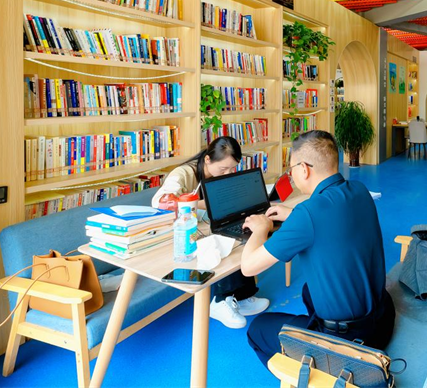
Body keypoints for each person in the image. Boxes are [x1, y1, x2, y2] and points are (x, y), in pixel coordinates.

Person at [241, 130, 395, 367]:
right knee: (308, 290)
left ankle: (319, 370)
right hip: (383, 319)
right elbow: (333, 221)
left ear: (304, 169)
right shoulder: (360, 190)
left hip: (350, 341)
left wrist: (261, 228)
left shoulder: (308, 214)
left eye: (291, 169)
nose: (292, 175)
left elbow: (248, 267)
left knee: (258, 330)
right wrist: (293, 215)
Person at [151, 136, 270, 329]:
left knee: (241, 234)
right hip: (180, 234)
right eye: (223, 169)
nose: (228, 173)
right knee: (221, 240)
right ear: (207, 159)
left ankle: (242, 296)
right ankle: (220, 301)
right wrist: (203, 203)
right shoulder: (183, 174)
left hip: (203, 226)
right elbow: (160, 202)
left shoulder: (220, 174)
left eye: (232, 168)